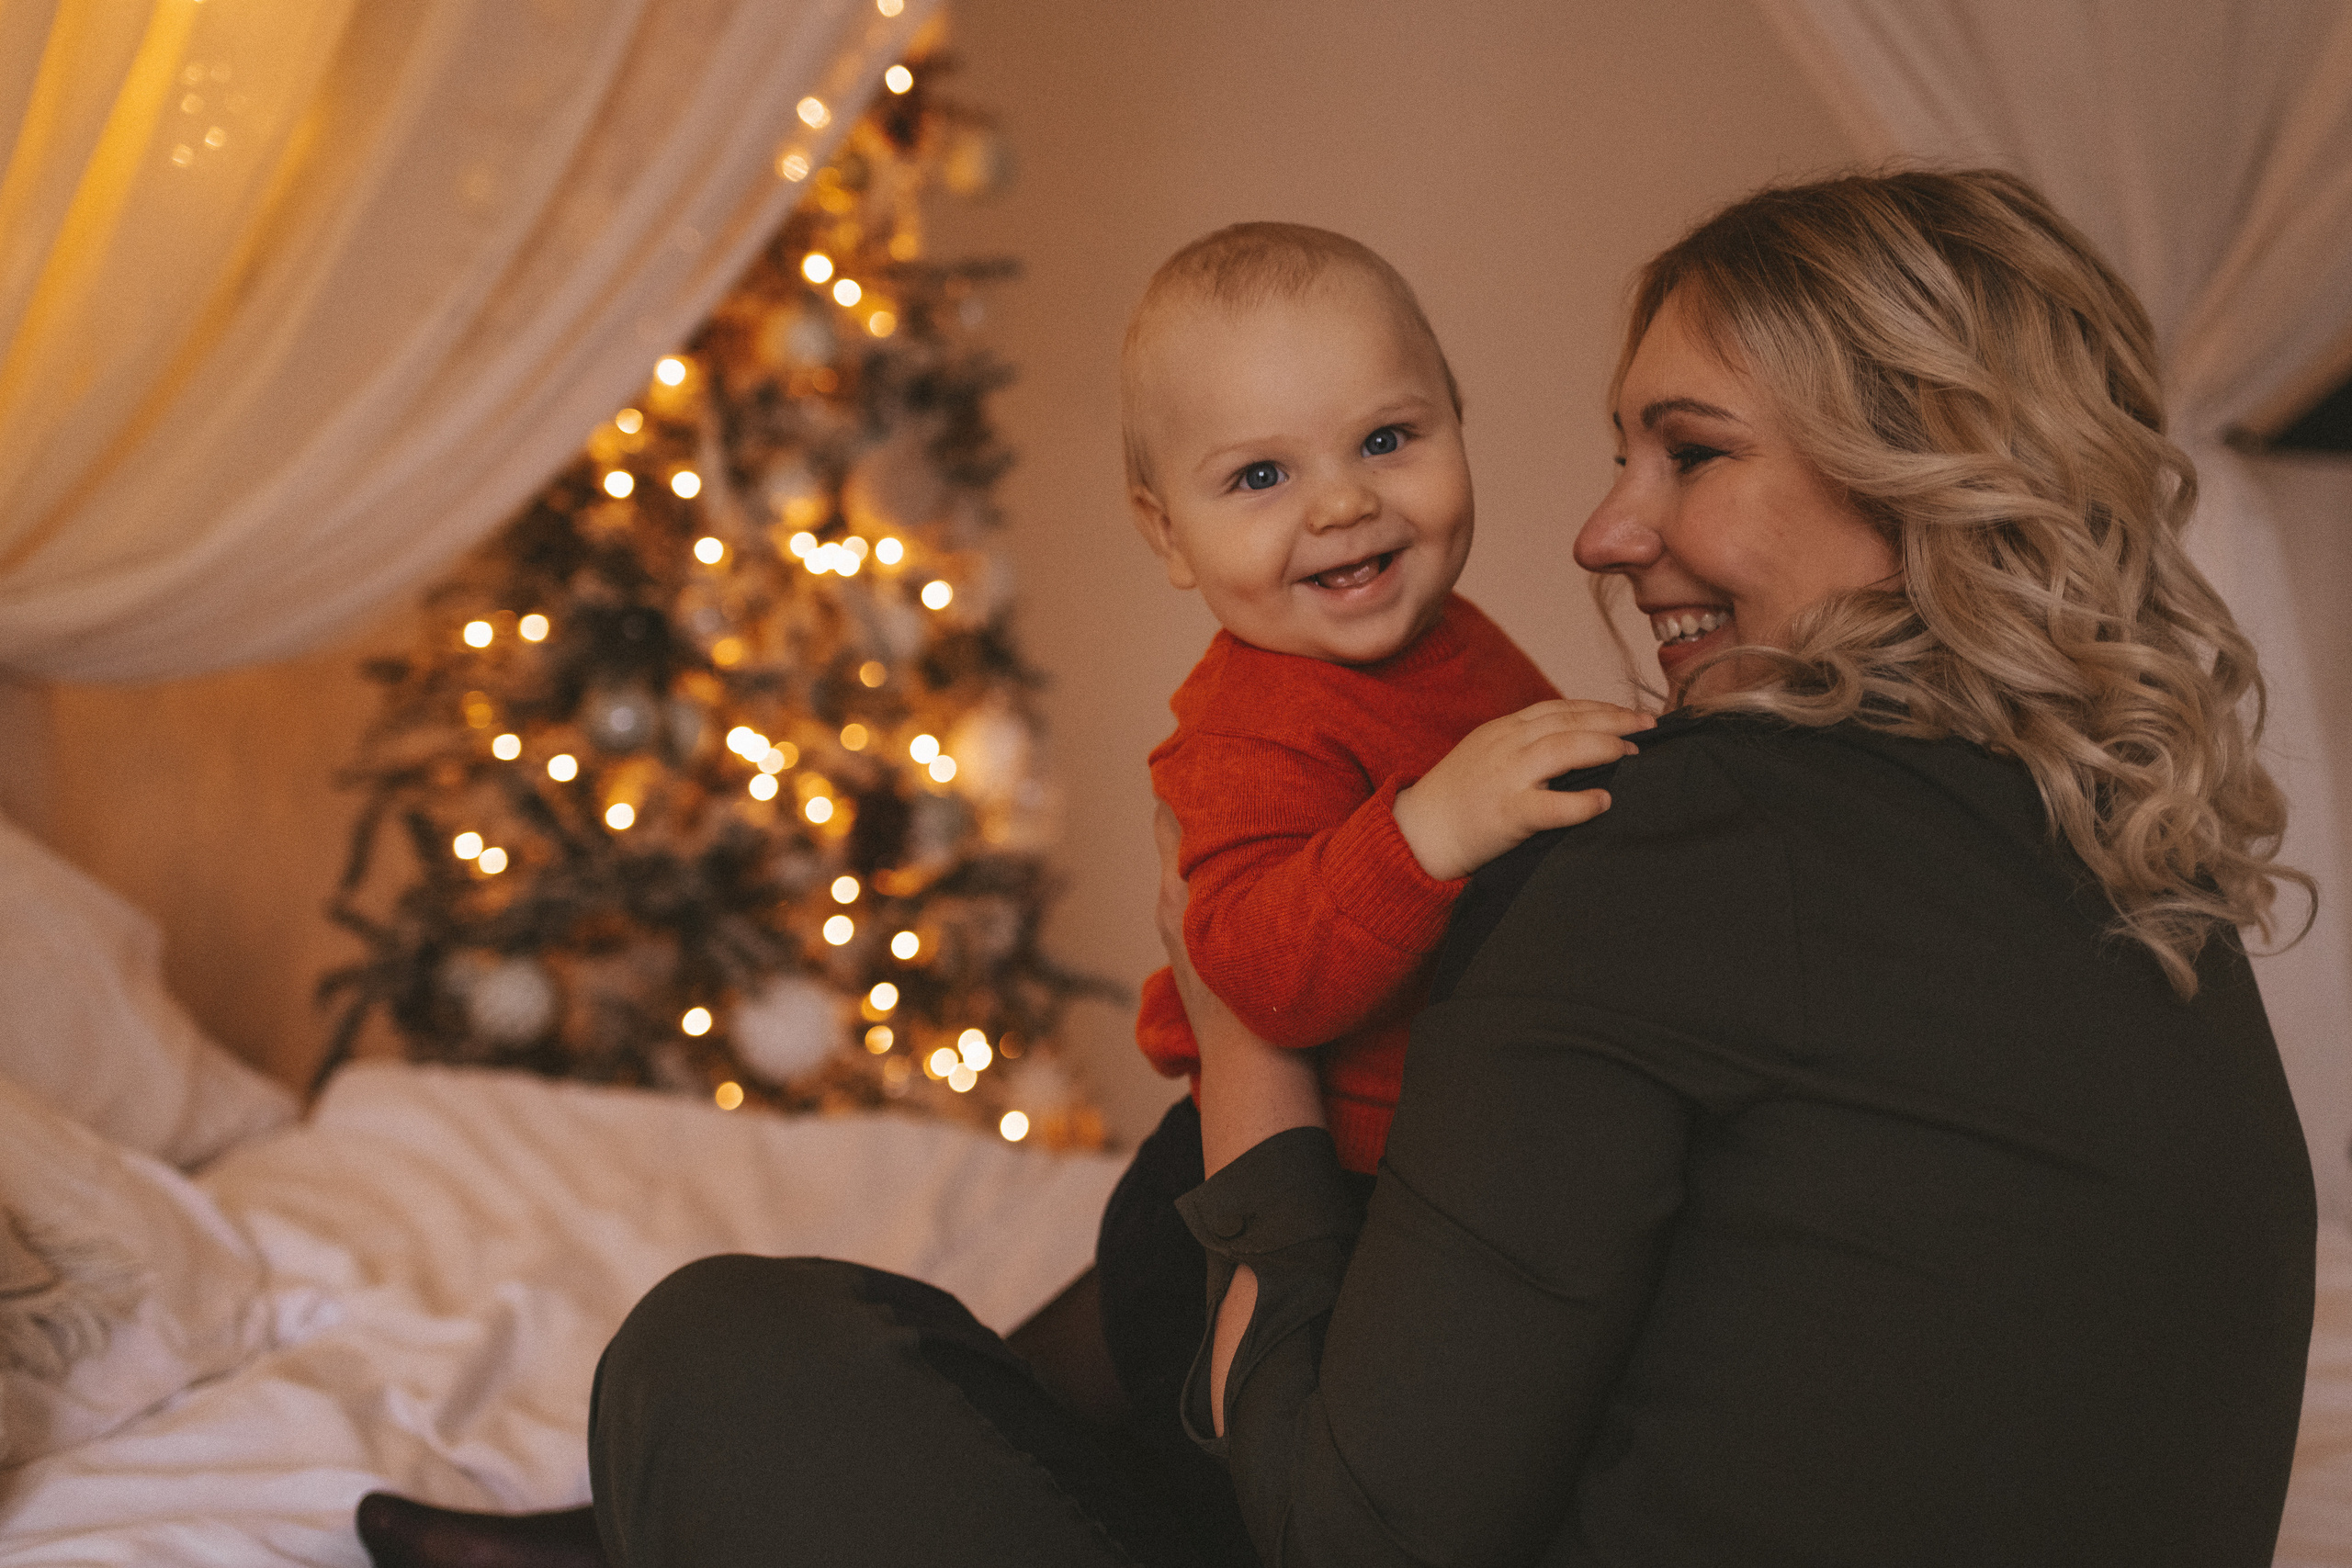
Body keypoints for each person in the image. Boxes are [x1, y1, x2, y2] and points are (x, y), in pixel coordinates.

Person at [407, 166, 2323, 1568]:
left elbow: (1346, 1524)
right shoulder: (2124, 862)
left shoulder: (1688, 831)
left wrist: (1237, 1019)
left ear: (1916, 474)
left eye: (1686, 453)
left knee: (737, 1347)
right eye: (1610, 451)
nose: (1597, 532)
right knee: (1092, 1293)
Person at [1101, 220, 1649, 1545]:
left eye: (1387, 441)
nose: (1342, 503)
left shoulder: (1454, 643)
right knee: (1240, 1517)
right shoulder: (1248, 729)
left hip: (1415, 1174)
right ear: (1167, 535)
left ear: (1461, 423)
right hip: (1253, 1210)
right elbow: (1257, 976)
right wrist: (1428, 829)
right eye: (1261, 476)